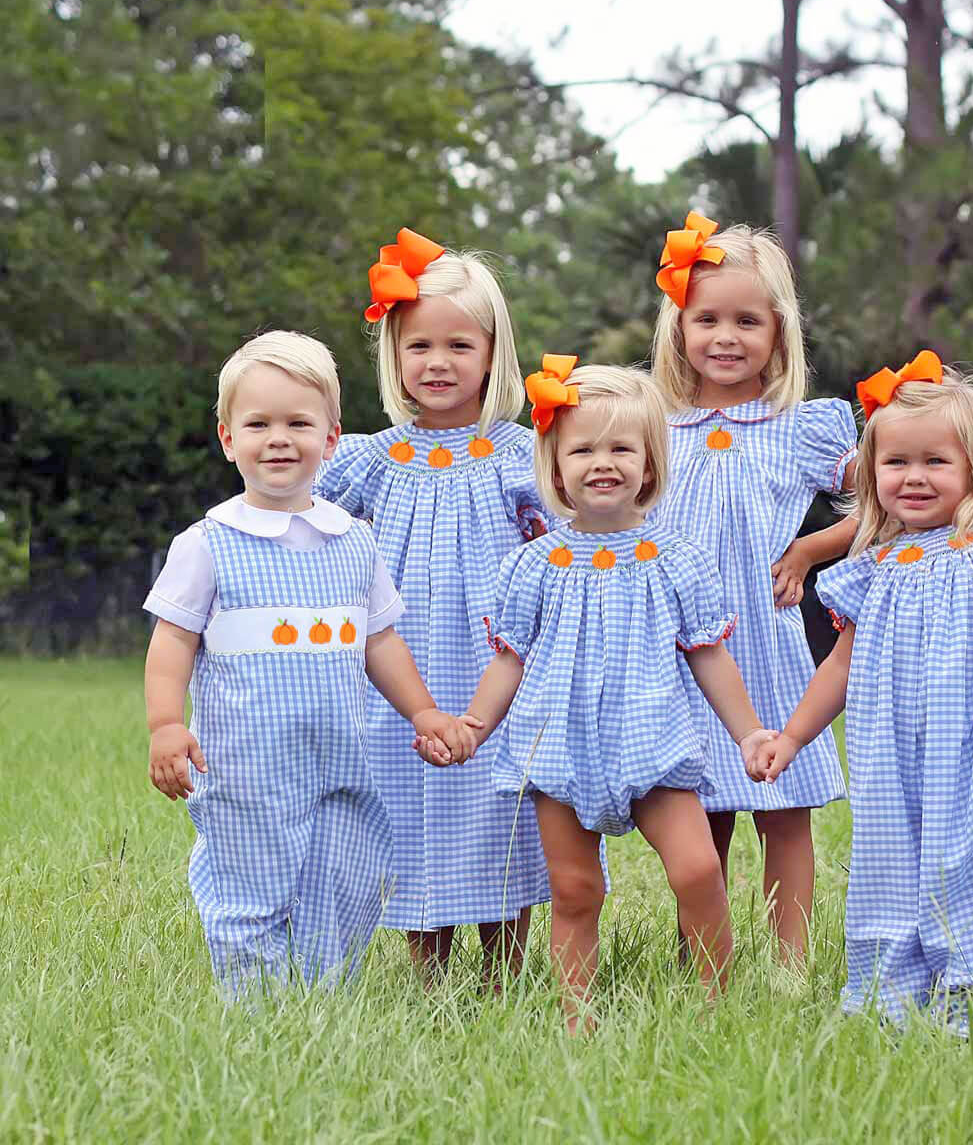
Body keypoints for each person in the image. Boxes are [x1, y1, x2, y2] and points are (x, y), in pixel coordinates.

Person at [749, 350, 973, 1029]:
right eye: (896, 462)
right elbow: (839, 668)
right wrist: (790, 735)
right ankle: (895, 990)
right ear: (872, 473)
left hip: (972, 753)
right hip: (887, 759)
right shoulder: (871, 568)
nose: (915, 477)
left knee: (972, 860)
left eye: (936, 462)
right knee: (890, 866)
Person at [435, 358, 773, 1032]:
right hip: (558, 749)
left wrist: (749, 733)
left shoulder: (676, 558)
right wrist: (474, 723)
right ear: (555, 467)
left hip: (652, 743)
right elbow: (510, 660)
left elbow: (709, 655)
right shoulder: (532, 564)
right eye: (583, 449)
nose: (603, 463)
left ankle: (712, 1008)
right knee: (574, 888)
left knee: (699, 868)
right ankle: (577, 1019)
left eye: (622, 448)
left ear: (650, 464)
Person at [144, 330, 475, 994]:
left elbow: (380, 641)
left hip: (343, 764)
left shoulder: (353, 542)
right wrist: (165, 725)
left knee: (346, 884)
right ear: (227, 438)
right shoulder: (208, 544)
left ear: (330, 439)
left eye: (299, 423)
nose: (279, 439)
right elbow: (173, 642)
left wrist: (423, 711)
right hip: (246, 769)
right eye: (258, 423)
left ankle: (322, 1004)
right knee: (251, 886)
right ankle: (255, 1009)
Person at [315, 229, 550, 986]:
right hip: (402, 664)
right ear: (394, 356)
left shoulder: (522, 453)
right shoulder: (374, 457)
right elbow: (299, 517)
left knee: (499, 806)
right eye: (419, 346)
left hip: (496, 660)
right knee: (410, 799)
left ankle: (505, 972)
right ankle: (429, 976)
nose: (439, 363)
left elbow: (570, 538)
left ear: (492, 354)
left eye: (459, 345)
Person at [649, 211, 856, 964]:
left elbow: (886, 504)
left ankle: (790, 963)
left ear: (778, 334)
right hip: (682, 650)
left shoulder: (802, 426)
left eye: (747, 320)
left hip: (764, 638)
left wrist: (810, 548)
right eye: (706, 319)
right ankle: (703, 956)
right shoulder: (653, 423)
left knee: (785, 806)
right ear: (679, 329)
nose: (725, 337)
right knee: (699, 811)